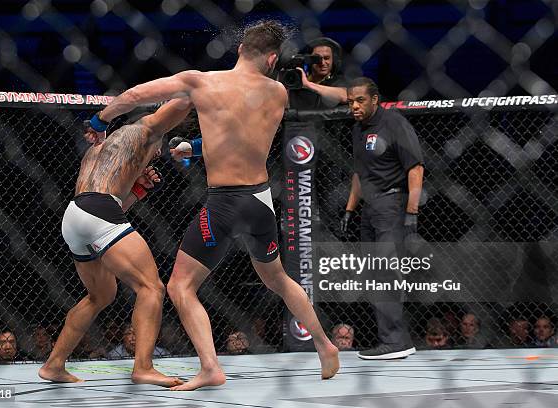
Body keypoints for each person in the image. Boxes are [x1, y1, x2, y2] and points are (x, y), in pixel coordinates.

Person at [86, 19, 339, 391]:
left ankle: (210, 367)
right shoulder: (278, 93)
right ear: (272, 59)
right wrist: (197, 148)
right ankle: (325, 344)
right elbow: (247, 138)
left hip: (225, 204)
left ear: (239, 49)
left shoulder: (201, 82)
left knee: (180, 286)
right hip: (261, 201)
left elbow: (137, 95)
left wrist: (100, 119)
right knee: (278, 278)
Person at [38, 99, 191, 386]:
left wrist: (137, 191)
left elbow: (109, 205)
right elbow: (174, 106)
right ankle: (143, 367)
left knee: (101, 295)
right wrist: (197, 92)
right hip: (98, 212)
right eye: (158, 150)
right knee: (151, 287)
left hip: (76, 216)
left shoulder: (99, 149)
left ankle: (54, 364)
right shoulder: (145, 131)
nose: (156, 155)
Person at [340, 76, 423, 360]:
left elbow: (415, 168)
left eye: (360, 100)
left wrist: (411, 213)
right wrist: (350, 209)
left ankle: (396, 340)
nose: (354, 106)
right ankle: (390, 338)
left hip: (392, 202)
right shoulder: (357, 130)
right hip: (370, 208)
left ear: (375, 99)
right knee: (373, 275)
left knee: (386, 273)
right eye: (351, 101)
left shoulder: (395, 123)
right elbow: (358, 175)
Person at [289, 37, 347, 109]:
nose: (322, 63)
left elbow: (346, 96)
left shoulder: (340, 81)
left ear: (333, 60)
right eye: (316, 59)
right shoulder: (295, 81)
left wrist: (307, 84)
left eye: (326, 58)